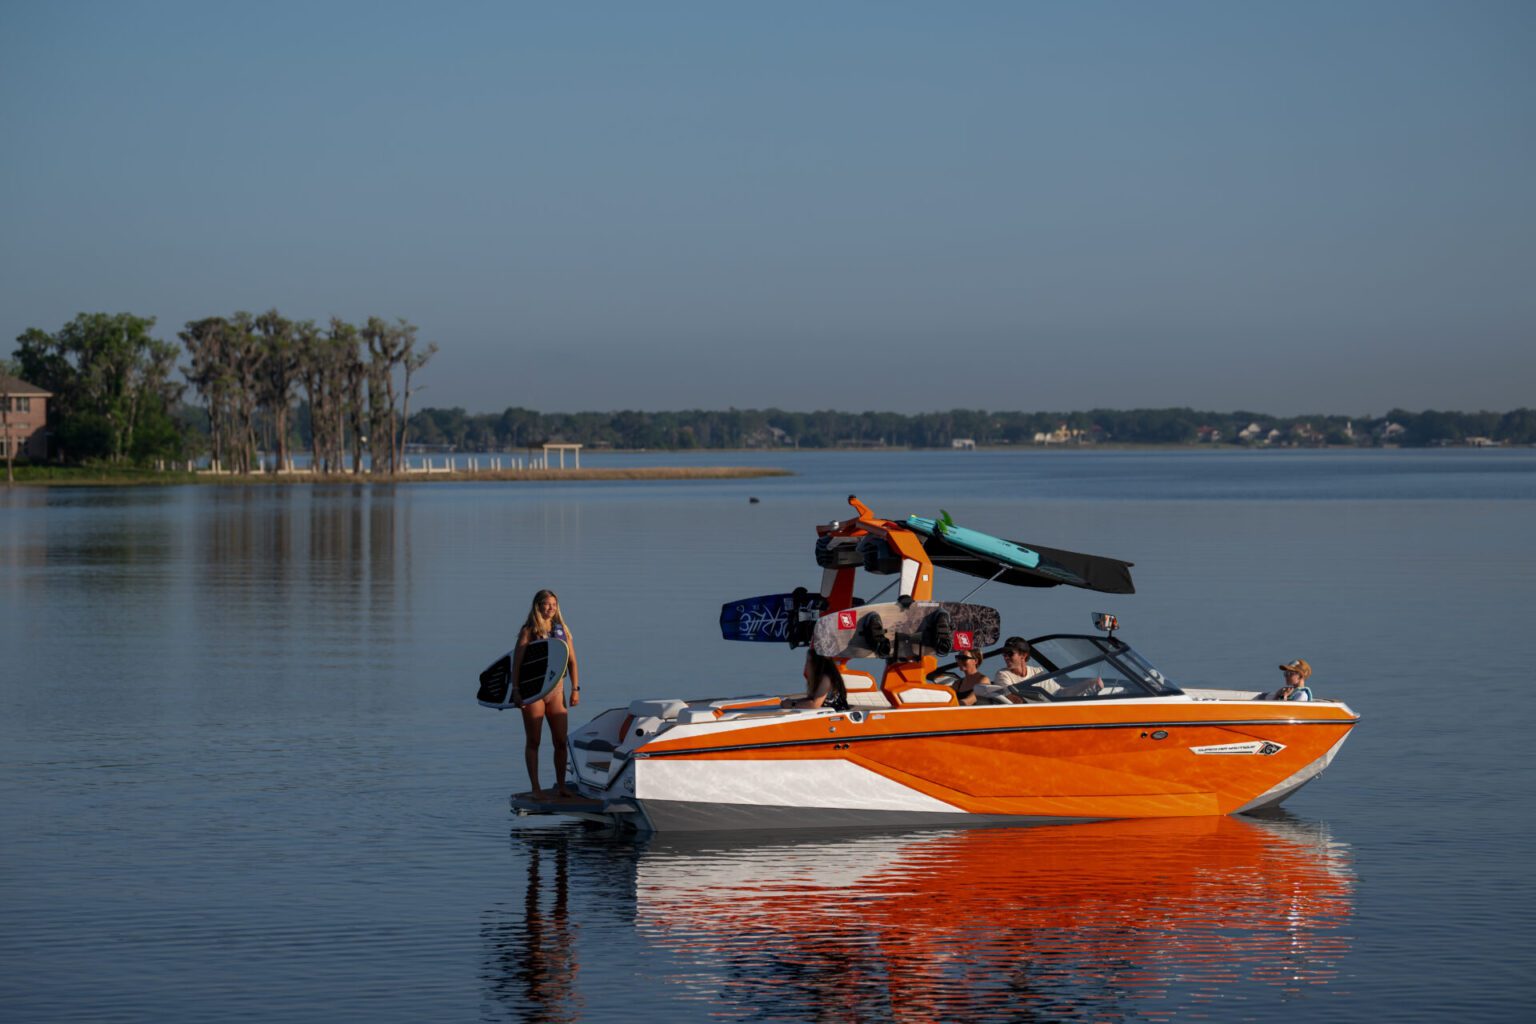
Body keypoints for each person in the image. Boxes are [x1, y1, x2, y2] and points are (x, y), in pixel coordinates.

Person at [512, 589, 580, 800]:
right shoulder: (529, 630)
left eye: (553, 604)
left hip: (557, 692)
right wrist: (516, 691)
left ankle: (561, 786)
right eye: (546, 604)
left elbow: (572, 661)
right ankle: (536, 788)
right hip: (534, 693)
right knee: (534, 741)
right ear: (538, 606)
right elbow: (517, 663)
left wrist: (575, 689)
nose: (550, 608)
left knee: (561, 741)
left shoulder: (563, 630)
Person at [991, 636, 1103, 702]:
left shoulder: (1037, 672)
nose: (1005, 657)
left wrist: (1088, 683)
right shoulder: (1002, 674)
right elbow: (1013, 700)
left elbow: (1060, 693)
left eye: (1009, 654)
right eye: (1004, 654)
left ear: (1023, 656)